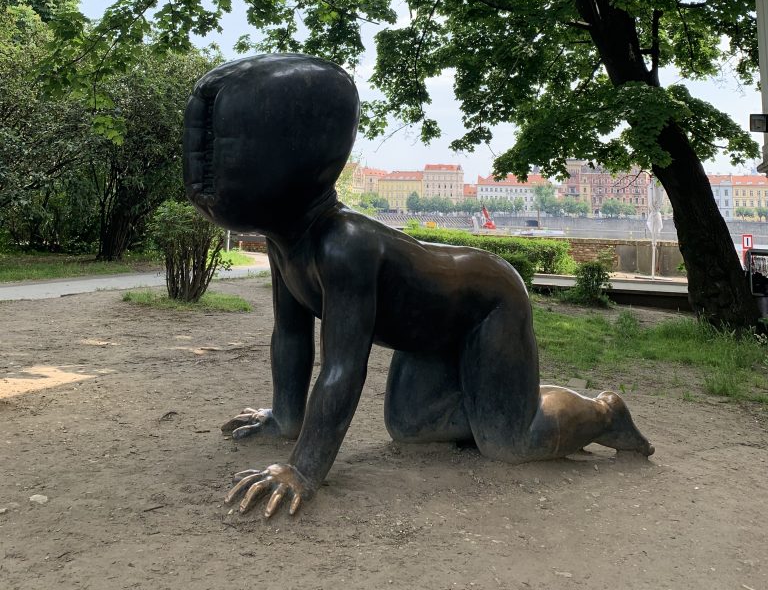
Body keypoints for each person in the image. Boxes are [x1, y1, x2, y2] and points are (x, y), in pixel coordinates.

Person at [184, 54, 653, 520]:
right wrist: (285, 418)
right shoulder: (284, 242)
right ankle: (500, 400)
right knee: (411, 427)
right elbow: (290, 334)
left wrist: (303, 470)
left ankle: (604, 411)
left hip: (487, 303)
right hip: (429, 331)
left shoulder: (342, 245)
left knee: (509, 444)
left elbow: (343, 368)